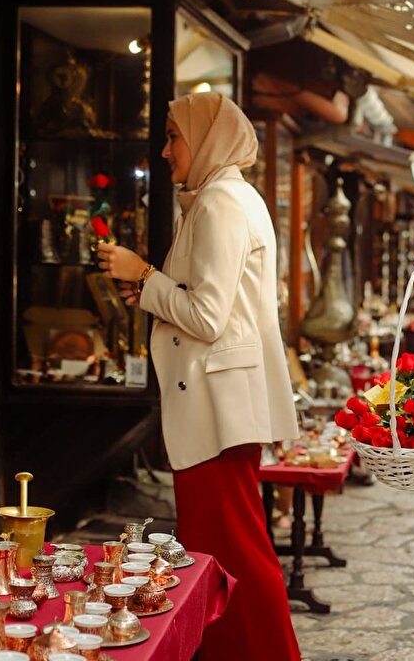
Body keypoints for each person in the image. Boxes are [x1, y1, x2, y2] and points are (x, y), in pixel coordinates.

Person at [97, 91, 301, 661]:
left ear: (205, 139)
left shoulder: (220, 203)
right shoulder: (225, 198)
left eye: (173, 136)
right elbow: (217, 306)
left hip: (218, 408)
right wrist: (150, 290)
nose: (165, 151)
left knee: (233, 552)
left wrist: (146, 274)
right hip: (220, 403)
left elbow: (207, 317)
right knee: (222, 551)